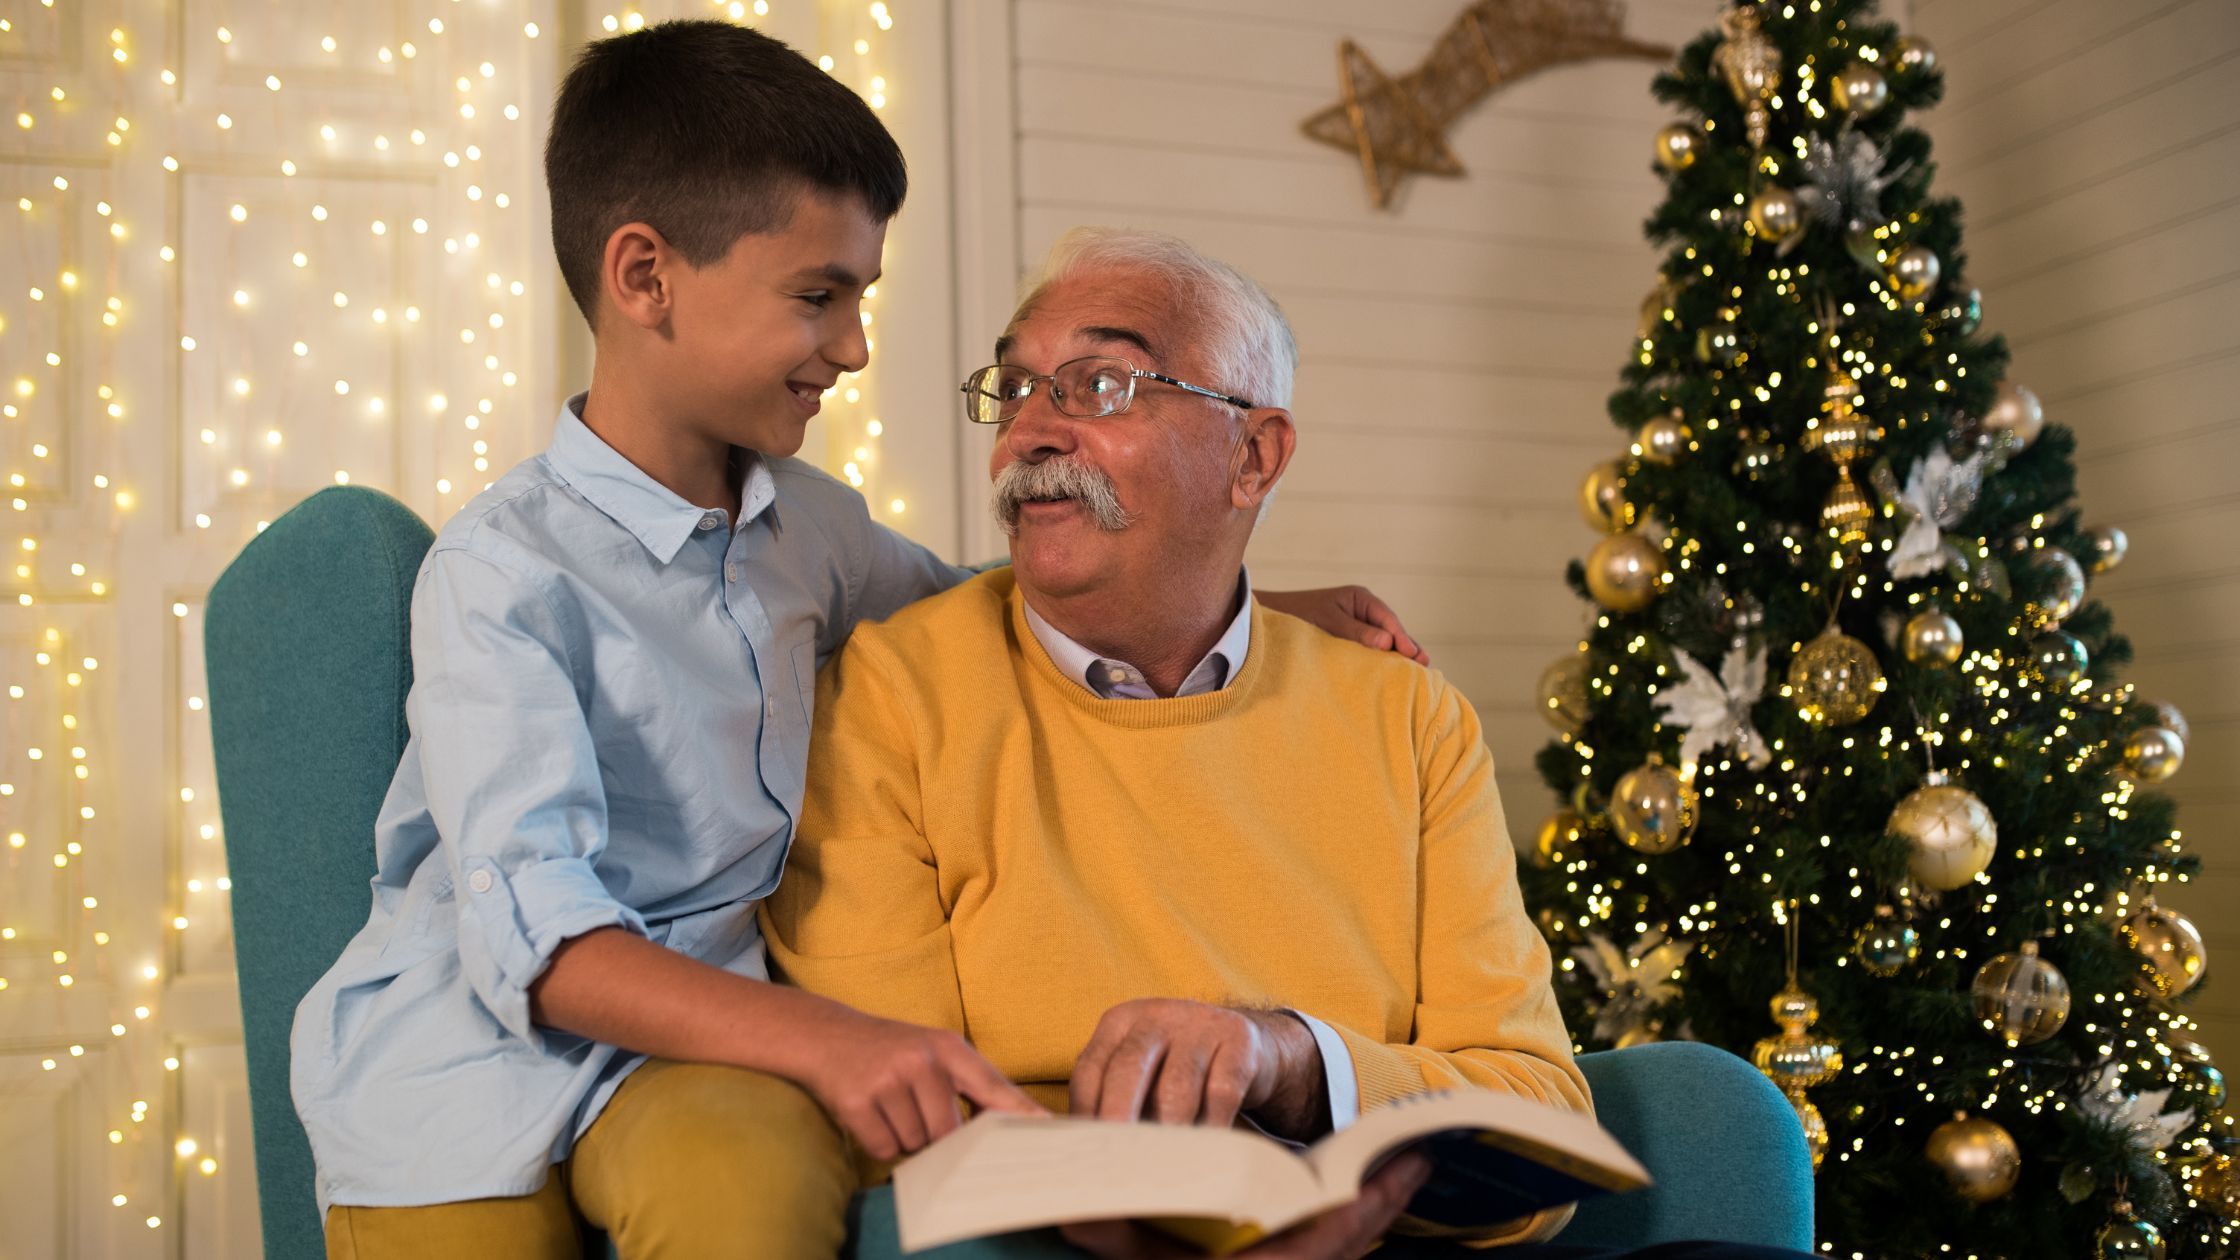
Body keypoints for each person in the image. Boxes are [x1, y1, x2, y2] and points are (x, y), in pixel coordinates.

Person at [291, 26, 1419, 1260]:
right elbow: (540, 940)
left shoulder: (805, 527)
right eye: (818, 297)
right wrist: (838, 1040)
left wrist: (1257, 606)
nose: (854, 347)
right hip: (466, 1065)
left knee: (748, 1185)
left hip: (698, 1064)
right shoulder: (501, 574)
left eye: (860, 299)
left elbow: (981, 605)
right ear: (644, 277)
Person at [762, 228, 1819, 1260]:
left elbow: (1536, 1106)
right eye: (1017, 389)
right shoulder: (885, 701)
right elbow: (896, 1112)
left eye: (1097, 386)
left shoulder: (1408, 722)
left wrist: (1289, 1059)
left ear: (1252, 456)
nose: (1029, 433)